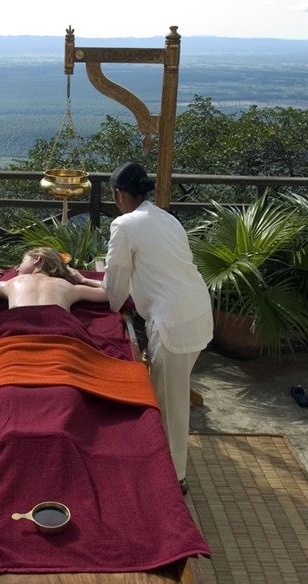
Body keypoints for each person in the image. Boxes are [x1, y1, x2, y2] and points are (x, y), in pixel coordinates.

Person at [102, 162, 213, 496]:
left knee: (171, 404)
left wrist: (108, 300)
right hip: (196, 311)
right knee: (170, 396)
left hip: (173, 322)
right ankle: (165, 466)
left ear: (119, 194)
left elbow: (116, 286)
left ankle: (174, 479)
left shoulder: (125, 224)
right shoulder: (167, 218)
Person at [0, 247, 107, 310]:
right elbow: (111, 293)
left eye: (22, 262)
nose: (17, 268)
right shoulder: (68, 287)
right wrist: (83, 280)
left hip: (17, 323)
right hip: (60, 327)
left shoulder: (12, 282)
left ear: (38, 259)